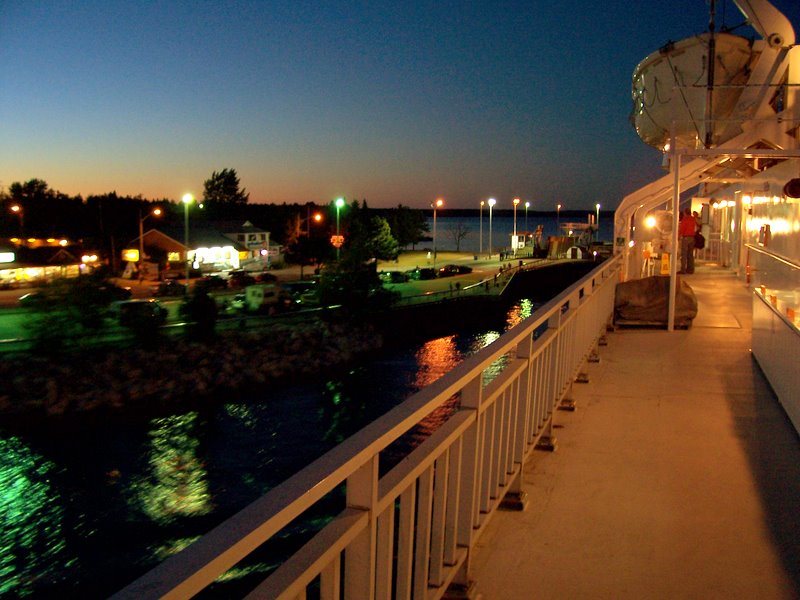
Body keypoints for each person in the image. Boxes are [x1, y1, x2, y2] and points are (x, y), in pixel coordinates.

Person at [678, 208, 699, 274]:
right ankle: (690, 269)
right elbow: (697, 227)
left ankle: (683, 270)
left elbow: (682, 229)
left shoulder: (685, 219)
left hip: (686, 238)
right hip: (692, 238)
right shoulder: (693, 219)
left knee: (684, 254)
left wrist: (679, 236)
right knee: (690, 254)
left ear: (685, 213)